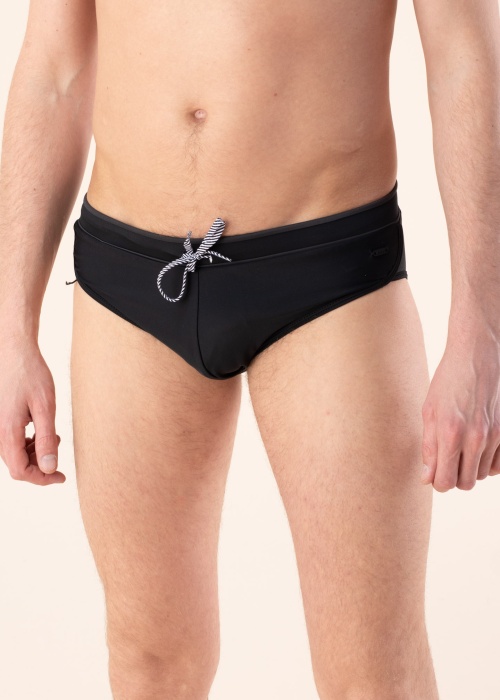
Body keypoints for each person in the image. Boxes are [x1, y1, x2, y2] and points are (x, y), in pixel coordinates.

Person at [0, 0, 499, 698]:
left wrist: (482, 332)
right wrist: (11, 331)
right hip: (127, 275)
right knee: (148, 663)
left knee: (372, 677)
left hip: (327, 271)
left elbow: (465, 56)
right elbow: (53, 70)